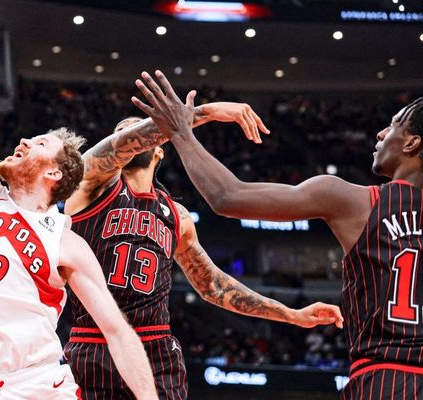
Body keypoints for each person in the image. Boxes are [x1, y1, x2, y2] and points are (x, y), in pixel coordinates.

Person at [0, 15, 158, 400]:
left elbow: (118, 332)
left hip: (35, 387)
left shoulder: (64, 241)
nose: (23, 140)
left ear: (54, 172)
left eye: (38, 143)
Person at [132, 70, 423, 399]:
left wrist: (181, 132)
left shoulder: (355, 200)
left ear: (412, 143)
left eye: (395, 126)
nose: (381, 133)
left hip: (384, 378)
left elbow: (228, 197)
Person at [63, 109, 344, 399]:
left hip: (155, 347)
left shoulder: (177, 217)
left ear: (158, 152)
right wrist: (205, 113)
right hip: (94, 342)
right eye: (122, 132)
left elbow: (214, 286)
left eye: (141, 131)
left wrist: (292, 315)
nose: (130, 136)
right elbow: (124, 143)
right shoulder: (89, 186)